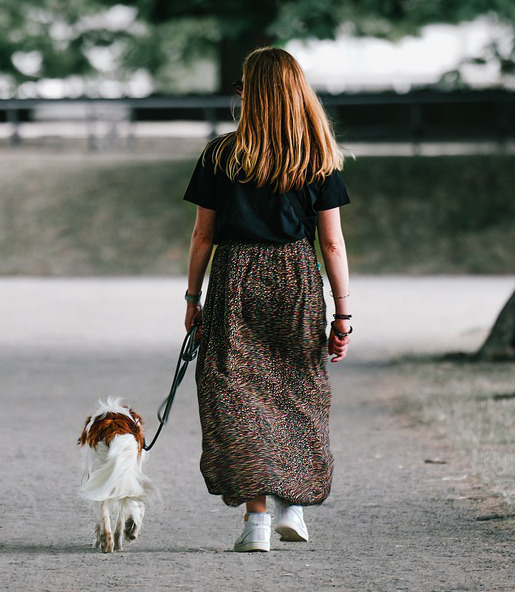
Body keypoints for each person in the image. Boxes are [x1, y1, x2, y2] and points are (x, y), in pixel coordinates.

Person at [182, 47, 352, 553]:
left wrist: (193, 296)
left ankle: (258, 521)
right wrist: (342, 313)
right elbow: (333, 243)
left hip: (235, 276)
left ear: (248, 93)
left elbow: (201, 236)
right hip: (296, 277)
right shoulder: (316, 156)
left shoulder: (221, 154)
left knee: (235, 393)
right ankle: (292, 507)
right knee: (298, 388)